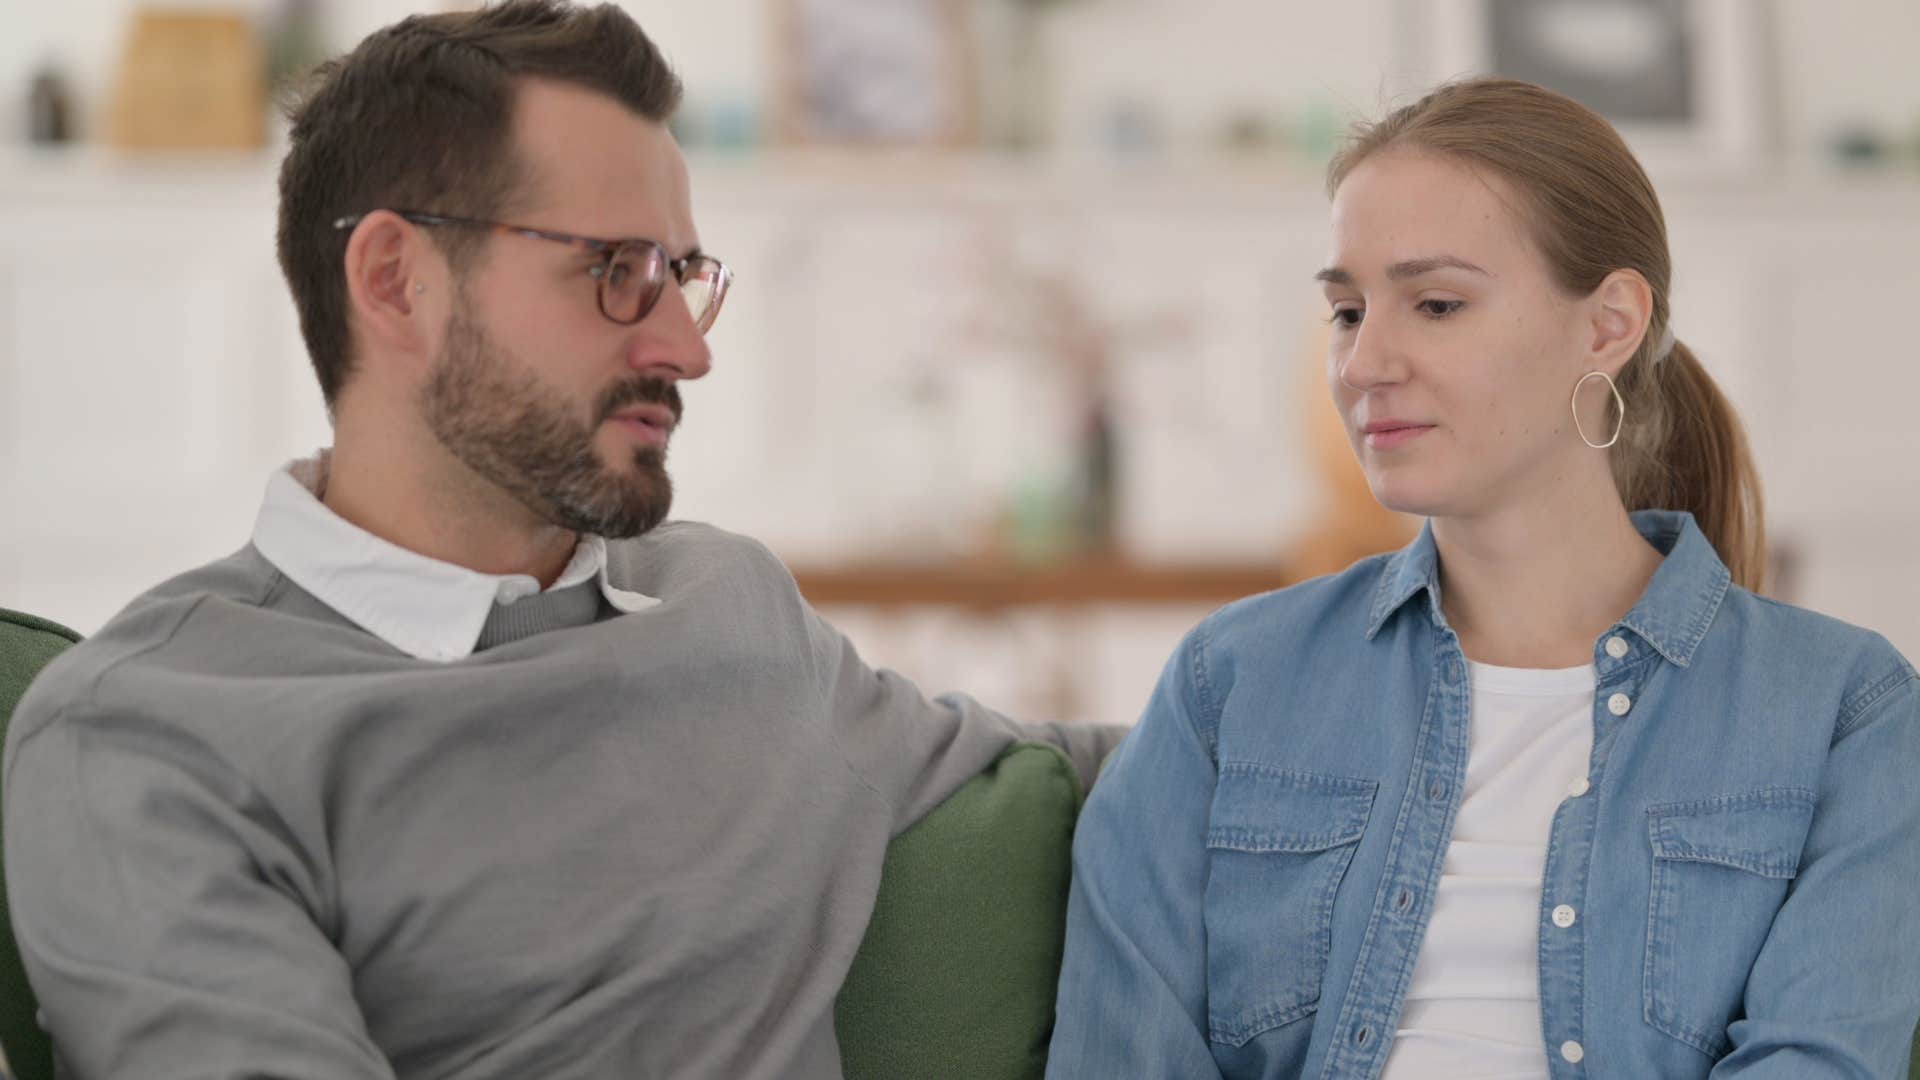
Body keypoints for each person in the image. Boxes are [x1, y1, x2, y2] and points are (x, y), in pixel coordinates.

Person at [1, 3, 1121, 1076]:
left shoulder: (726, 603)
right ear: (396, 281)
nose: (687, 347)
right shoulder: (149, 736)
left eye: (681, 276)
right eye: (616, 271)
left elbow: (1081, 773)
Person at [1046, 78, 1920, 1079]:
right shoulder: (1227, 684)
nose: (1365, 361)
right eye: (1345, 310)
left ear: (1607, 325)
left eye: (1438, 304)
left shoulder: (1847, 710)